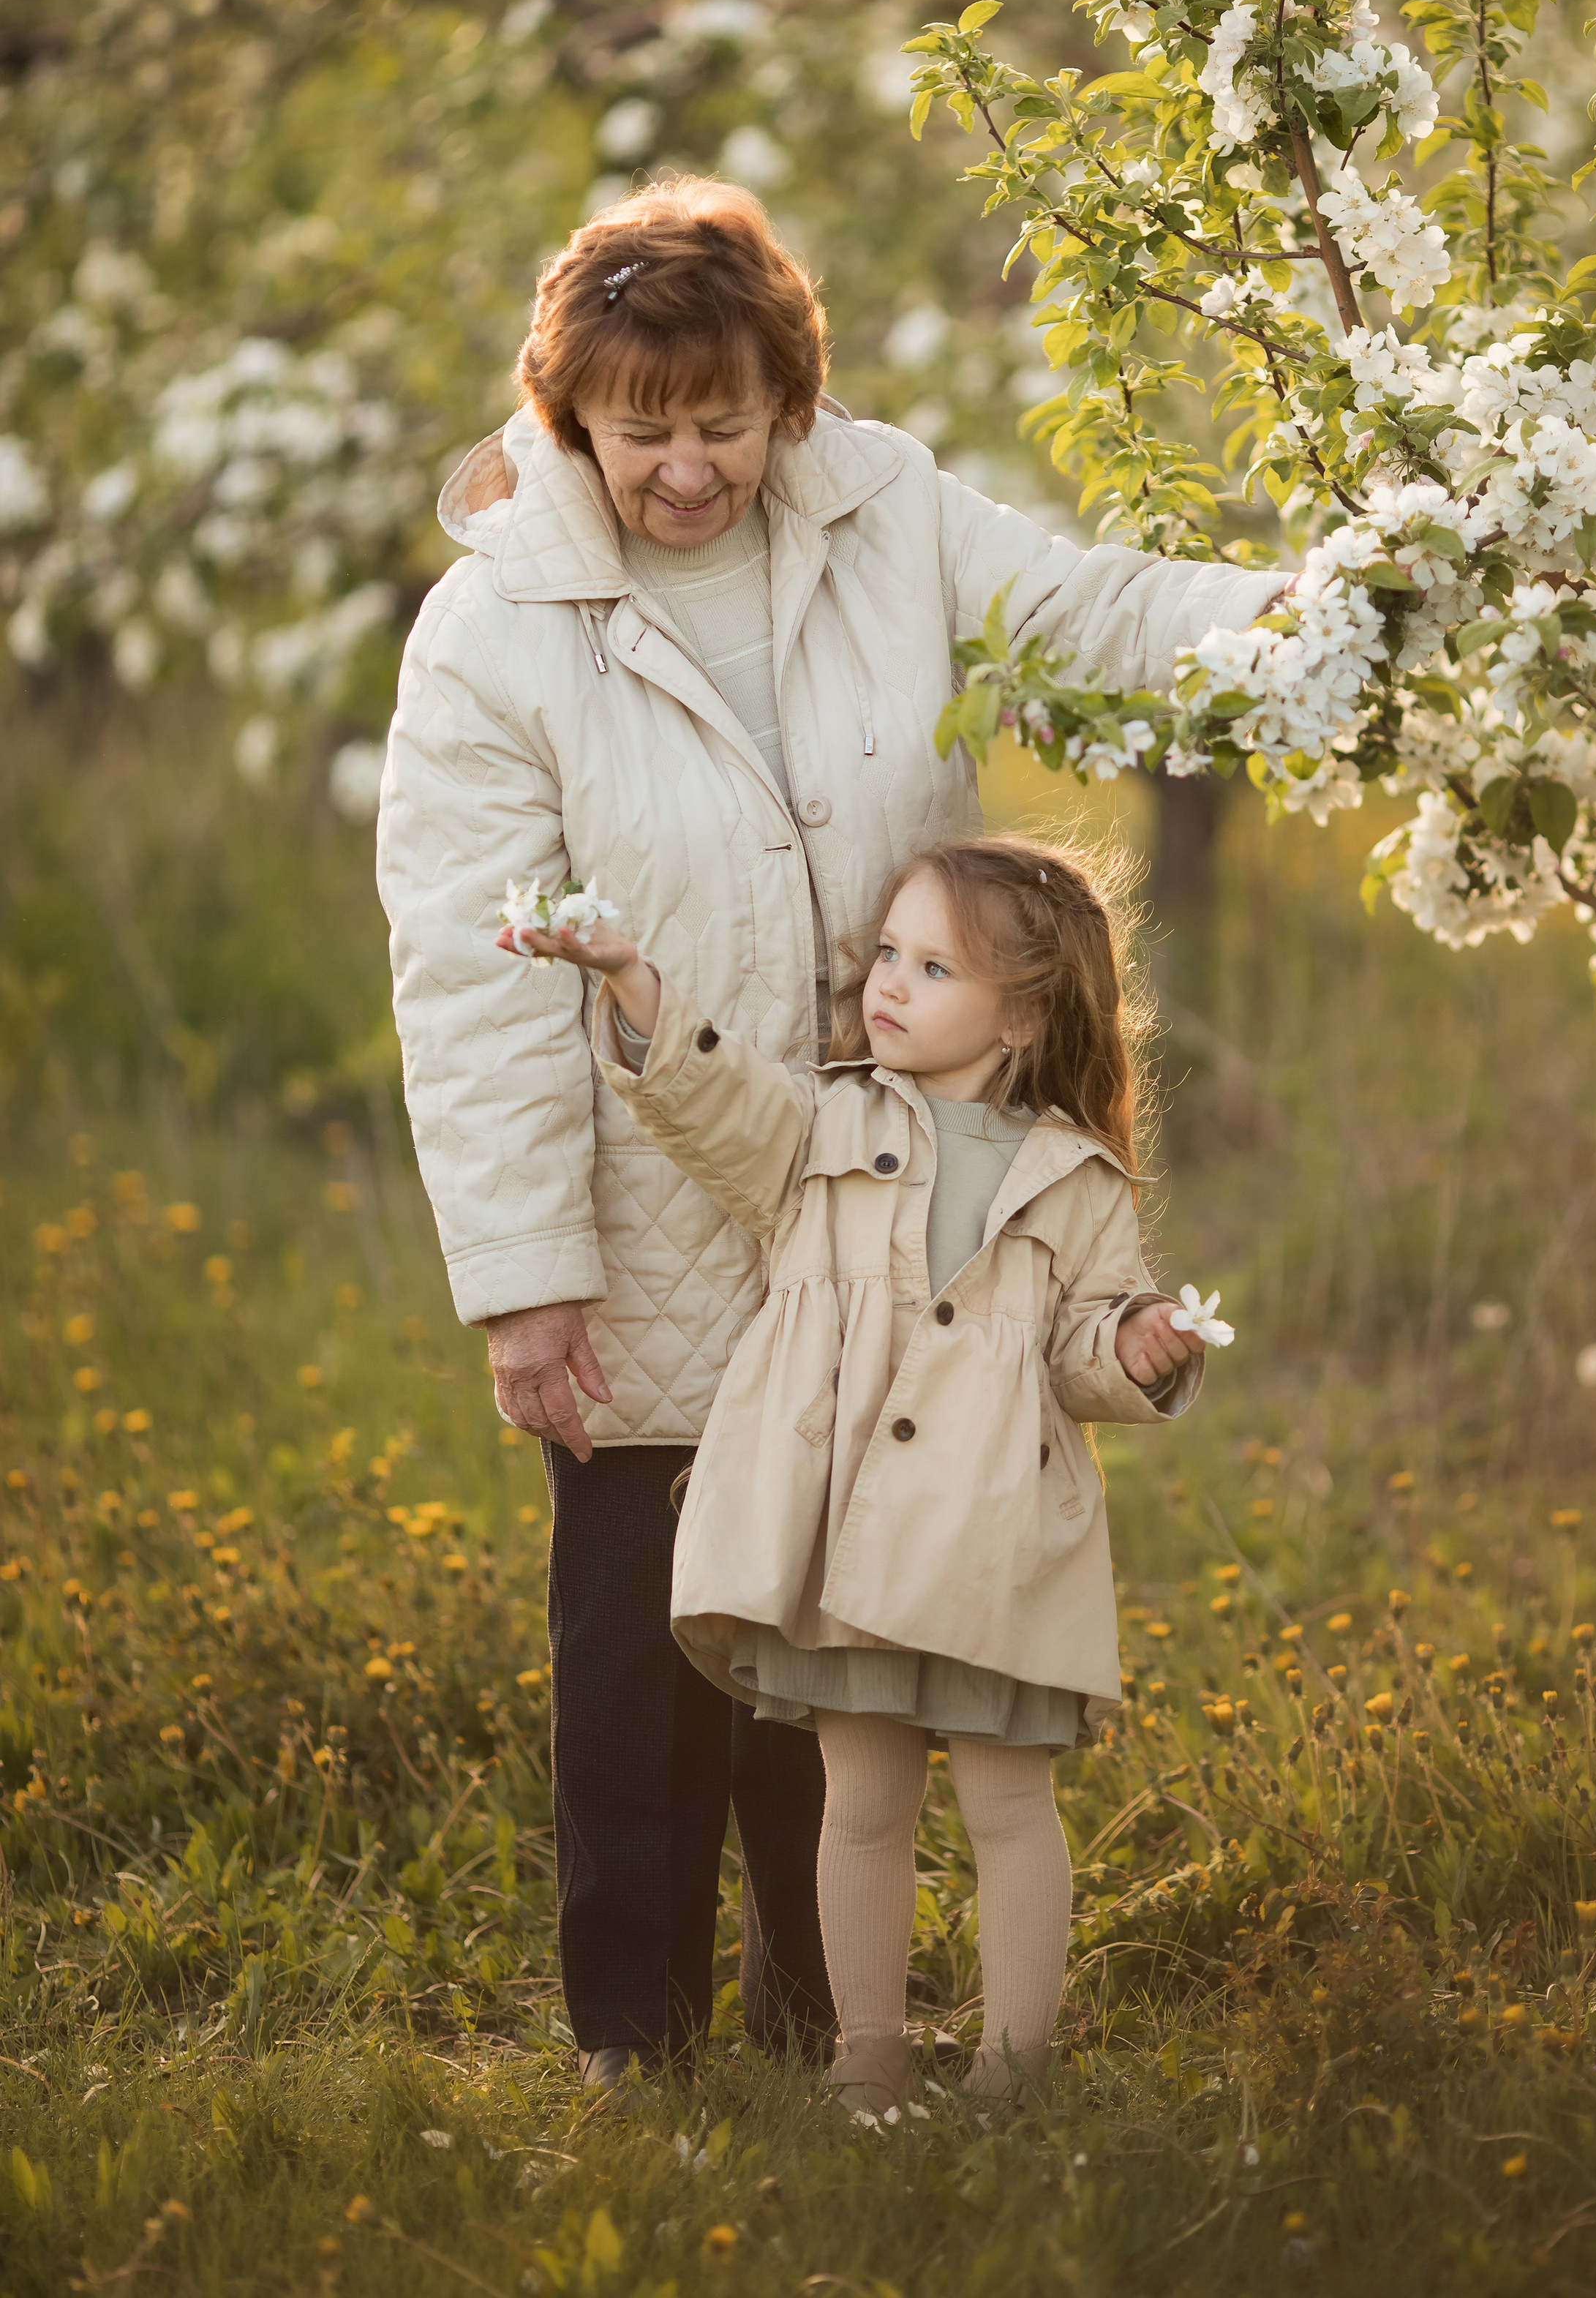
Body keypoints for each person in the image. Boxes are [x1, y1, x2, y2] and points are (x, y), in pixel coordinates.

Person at [375, 176, 1284, 2092]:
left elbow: (1098, 615)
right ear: (568, 420)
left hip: (882, 1191)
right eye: (644, 432)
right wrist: (529, 1282)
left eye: (724, 422)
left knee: (827, 1638)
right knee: (645, 1646)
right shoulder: (493, 637)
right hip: (648, 1204)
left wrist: (1306, 622)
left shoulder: (894, 525)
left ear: (788, 399)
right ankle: (638, 2040)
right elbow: (478, 984)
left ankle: (826, 2016)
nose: (688, 468)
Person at [501, 835, 1211, 2114]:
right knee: (863, 1798)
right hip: (858, 1545)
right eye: (888, 951)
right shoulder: (826, 1124)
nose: (887, 982)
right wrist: (629, 977)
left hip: (993, 1544)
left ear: (1026, 1013)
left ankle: (1013, 2068)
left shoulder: (1078, 1178)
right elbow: (716, 1099)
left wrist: (1139, 1347)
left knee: (1008, 1807)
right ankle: (865, 2053)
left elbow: (1080, 1348)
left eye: (932, 966)